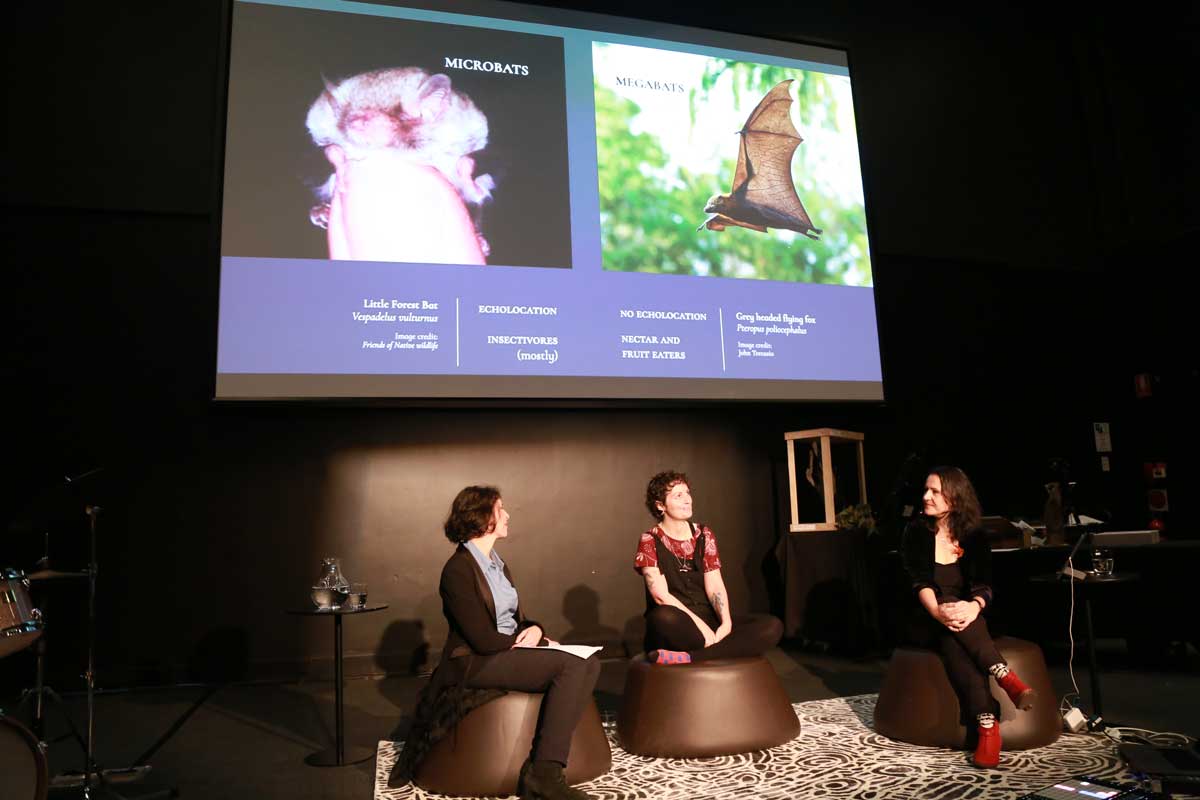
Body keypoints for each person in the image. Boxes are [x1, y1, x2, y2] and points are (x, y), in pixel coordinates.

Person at [389, 486, 601, 800]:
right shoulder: (458, 570)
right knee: (569, 665)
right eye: (500, 509)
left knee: (590, 662)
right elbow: (483, 639)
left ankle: (546, 762)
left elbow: (515, 619)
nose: (507, 515)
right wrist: (528, 642)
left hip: (504, 649)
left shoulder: (498, 565)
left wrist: (536, 630)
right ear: (481, 517)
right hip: (473, 660)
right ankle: (545, 773)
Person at [900, 466, 1036, 769]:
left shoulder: (973, 535)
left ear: (955, 496)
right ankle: (1004, 677)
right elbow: (918, 581)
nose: (926, 497)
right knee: (950, 620)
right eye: (926, 490)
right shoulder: (916, 531)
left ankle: (987, 725)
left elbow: (984, 585)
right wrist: (938, 612)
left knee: (956, 642)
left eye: (935, 491)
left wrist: (973, 607)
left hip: (967, 617)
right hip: (926, 615)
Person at [633, 471, 782, 664]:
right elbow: (660, 596)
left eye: (687, 493)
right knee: (663, 617)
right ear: (660, 505)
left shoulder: (705, 534)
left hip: (707, 616)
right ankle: (723, 648)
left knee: (772, 626)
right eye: (678, 495)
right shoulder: (649, 540)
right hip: (678, 622)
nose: (687, 500)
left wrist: (726, 623)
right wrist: (700, 625)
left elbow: (715, 586)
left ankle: (692, 657)